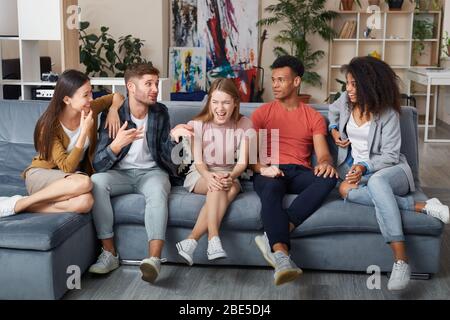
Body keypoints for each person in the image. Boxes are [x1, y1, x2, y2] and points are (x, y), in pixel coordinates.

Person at [329, 56, 449, 291]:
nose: (349, 89)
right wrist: (334, 131)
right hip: (360, 173)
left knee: (377, 183)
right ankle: (422, 206)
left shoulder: (387, 114)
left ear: (369, 85)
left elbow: (391, 156)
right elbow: (332, 114)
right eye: (348, 84)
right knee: (345, 190)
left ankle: (401, 260)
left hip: (391, 171)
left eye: (354, 84)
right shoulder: (345, 101)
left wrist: (364, 167)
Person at [88, 63, 193, 283]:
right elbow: (98, 164)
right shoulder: (112, 115)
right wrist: (115, 146)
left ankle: (153, 260)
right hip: (121, 175)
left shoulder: (160, 112)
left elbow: (170, 162)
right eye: (148, 84)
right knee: (96, 182)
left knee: (157, 191)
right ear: (131, 87)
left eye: (156, 83)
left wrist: (176, 139)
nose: (155, 88)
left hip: (152, 173)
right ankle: (109, 254)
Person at [252, 56, 338, 286]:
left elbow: (323, 154)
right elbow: (251, 157)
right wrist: (264, 169)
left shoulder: (313, 116)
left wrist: (325, 163)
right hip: (270, 170)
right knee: (271, 188)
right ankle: (281, 255)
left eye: (281, 80)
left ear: (297, 81)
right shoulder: (262, 114)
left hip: (300, 171)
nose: (275, 85)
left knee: (329, 179)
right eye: (274, 80)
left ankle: (272, 233)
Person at [0, 70, 124, 218]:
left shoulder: (89, 108)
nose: (91, 98)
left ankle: (26, 204)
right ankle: (18, 204)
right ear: (67, 100)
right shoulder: (49, 125)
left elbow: (117, 96)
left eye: (91, 92)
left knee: (86, 202)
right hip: (41, 176)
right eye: (85, 95)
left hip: (70, 181)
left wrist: (114, 109)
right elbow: (67, 167)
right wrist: (83, 132)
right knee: (85, 183)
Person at [175, 78, 254, 265]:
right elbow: (199, 163)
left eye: (226, 102)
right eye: (215, 102)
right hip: (200, 173)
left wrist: (231, 176)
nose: (220, 108)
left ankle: (191, 241)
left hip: (228, 172)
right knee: (218, 186)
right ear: (209, 102)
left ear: (235, 103)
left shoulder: (245, 124)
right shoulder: (197, 124)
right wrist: (210, 176)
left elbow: (242, 163)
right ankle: (213, 238)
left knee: (232, 187)